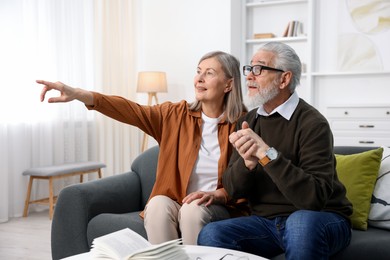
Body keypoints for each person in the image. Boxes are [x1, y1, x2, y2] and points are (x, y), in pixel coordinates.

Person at [37, 51, 247, 245]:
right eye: (198, 72)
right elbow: (131, 110)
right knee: (156, 205)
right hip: (177, 200)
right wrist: (80, 94)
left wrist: (220, 194)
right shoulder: (174, 115)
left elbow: (249, 178)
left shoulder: (244, 124)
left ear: (228, 85)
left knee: (192, 211)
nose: (199, 79)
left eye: (209, 73)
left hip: (219, 206)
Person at [197, 42, 353, 259]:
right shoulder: (247, 121)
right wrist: (247, 164)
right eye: (249, 68)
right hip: (268, 224)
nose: (250, 76)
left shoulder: (312, 123)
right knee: (212, 234)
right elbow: (232, 189)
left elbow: (313, 199)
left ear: (284, 79)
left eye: (259, 69)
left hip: (322, 218)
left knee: (300, 223)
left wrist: (266, 154)